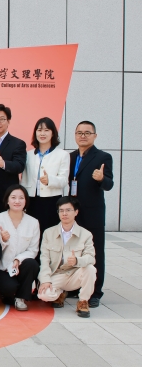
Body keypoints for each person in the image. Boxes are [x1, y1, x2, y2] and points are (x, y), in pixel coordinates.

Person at [68, 121, 113, 308]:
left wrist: (102, 179)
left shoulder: (103, 157)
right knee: (74, 249)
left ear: (95, 135)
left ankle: (95, 292)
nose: (83, 136)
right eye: (79, 132)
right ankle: (75, 286)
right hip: (73, 213)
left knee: (95, 251)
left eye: (87, 133)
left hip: (92, 213)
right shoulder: (70, 157)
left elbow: (109, 184)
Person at [38, 197, 96, 318]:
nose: (64, 213)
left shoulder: (86, 234)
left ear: (76, 212)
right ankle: (60, 293)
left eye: (68, 210)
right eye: (61, 210)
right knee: (43, 295)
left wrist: (77, 261)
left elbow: (91, 258)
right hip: (57, 274)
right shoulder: (48, 233)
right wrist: (45, 280)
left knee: (90, 269)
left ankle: (83, 301)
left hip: (74, 274)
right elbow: (44, 259)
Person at [0, 185, 40, 311]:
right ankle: (8, 294)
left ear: (26, 201)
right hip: (2, 267)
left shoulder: (33, 222)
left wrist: (18, 259)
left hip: (22, 266)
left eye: (21, 198)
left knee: (32, 264)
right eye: (13, 197)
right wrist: (2, 240)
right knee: (9, 288)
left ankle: (21, 298)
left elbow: (33, 250)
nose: (17, 201)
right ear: (7, 200)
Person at [22, 117, 69, 235]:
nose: (42, 133)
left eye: (46, 130)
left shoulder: (62, 155)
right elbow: (24, 180)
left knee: (49, 233)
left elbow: (64, 180)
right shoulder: (28, 155)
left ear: (53, 133)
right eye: (39, 130)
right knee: (32, 233)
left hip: (51, 200)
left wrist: (50, 180)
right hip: (32, 200)